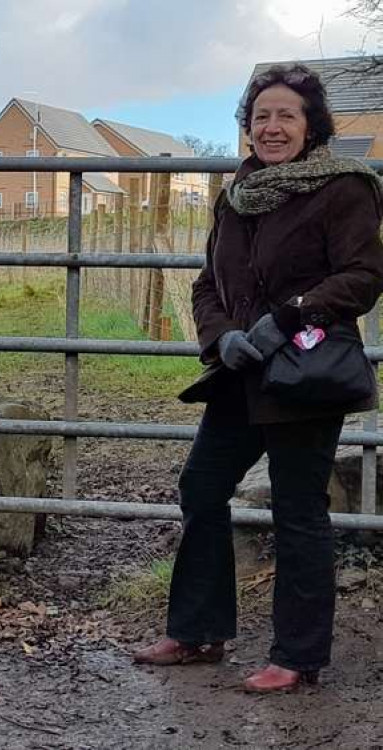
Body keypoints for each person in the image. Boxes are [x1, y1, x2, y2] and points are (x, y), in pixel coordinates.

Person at [133, 64, 383, 692]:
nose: (272, 127)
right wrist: (224, 337)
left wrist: (287, 319)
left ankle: (297, 657)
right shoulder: (237, 193)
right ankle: (198, 630)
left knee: (299, 509)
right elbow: (205, 283)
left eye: (286, 116)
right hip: (241, 372)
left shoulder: (345, 187)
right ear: (247, 127)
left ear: (311, 126)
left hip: (304, 371)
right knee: (203, 486)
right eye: (261, 116)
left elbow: (362, 277)